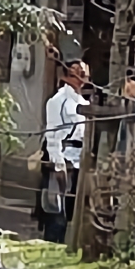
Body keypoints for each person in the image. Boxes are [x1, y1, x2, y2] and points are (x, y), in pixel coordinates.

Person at [42, 59, 90, 243]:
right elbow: (52, 134)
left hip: (79, 158)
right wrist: (57, 163)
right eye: (78, 72)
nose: (83, 76)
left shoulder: (82, 101)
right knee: (56, 208)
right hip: (63, 155)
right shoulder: (58, 101)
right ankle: (51, 242)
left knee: (71, 208)